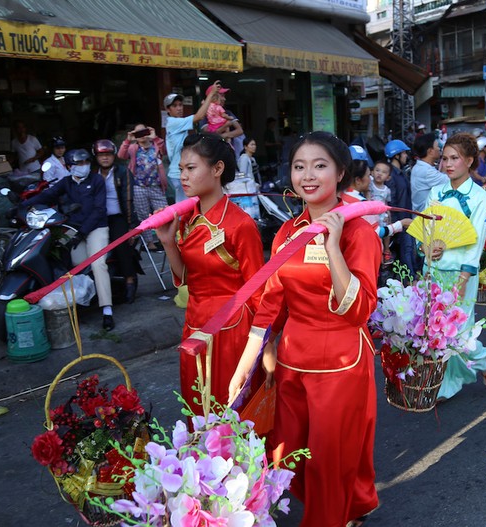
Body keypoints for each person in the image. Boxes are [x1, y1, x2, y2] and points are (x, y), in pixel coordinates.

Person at [228, 131, 381, 527]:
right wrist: (247, 363)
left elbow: (359, 309)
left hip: (341, 364)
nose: (307, 175)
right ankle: (350, 506)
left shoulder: (359, 232)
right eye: (299, 166)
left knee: (331, 461)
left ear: (341, 172)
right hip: (293, 362)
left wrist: (332, 246)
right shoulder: (287, 231)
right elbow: (271, 303)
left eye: (319, 165)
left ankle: (334, 515)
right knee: (287, 454)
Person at [156, 133, 264, 422]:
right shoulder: (187, 220)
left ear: (217, 169)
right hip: (195, 323)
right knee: (197, 407)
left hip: (233, 330)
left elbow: (258, 291)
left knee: (230, 413)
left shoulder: (240, 224)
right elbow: (186, 278)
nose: (183, 176)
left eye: (191, 168)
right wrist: (168, 243)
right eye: (180, 170)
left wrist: (265, 347)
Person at [423, 133, 486, 401]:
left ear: (469, 161)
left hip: (461, 274)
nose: (448, 164)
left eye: (455, 158)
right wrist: (427, 246)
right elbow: (425, 230)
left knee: (460, 333)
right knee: (436, 329)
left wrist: (464, 278)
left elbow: (474, 245)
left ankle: (484, 360)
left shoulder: (480, 198)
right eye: (445, 158)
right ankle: (448, 383)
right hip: (432, 269)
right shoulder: (435, 192)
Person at [21, 149, 114, 330]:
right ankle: (77, 299)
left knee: (97, 264)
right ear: (70, 167)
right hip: (74, 229)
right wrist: (22, 205)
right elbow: (47, 195)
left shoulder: (96, 180)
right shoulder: (66, 183)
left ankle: (107, 310)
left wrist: (81, 232)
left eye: (86, 162)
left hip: (96, 228)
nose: (84, 166)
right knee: (68, 261)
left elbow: (99, 210)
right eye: (79, 164)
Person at [93, 139, 142, 305]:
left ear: (114, 156)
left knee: (122, 245)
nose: (105, 158)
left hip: (119, 216)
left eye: (108, 154)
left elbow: (128, 199)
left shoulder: (122, 172)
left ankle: (130, 280)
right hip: (98, 218)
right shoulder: (93, 174)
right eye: (101, 155)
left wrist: (131, 227)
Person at [164, 81, 220, 202]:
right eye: (175, 106)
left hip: (179, 172)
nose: (179, 108)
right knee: (185, 206)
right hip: (178, 173)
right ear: (168, 110)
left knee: (187, 205)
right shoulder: (173, 122)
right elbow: (199, 117)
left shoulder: (178, 122)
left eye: (180, 105)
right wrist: (211, 95)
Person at [119, 124, 168, 250]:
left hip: (156, 186)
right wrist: (128, 139)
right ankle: (149, 242)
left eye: (143, 132)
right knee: (143, 215)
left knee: (164, 212)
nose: (142, 135)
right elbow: (121, 155)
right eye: (138, 133)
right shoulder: (133, 147)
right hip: (139, 187)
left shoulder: (155, 145)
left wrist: (155, 137)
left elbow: (165, 152)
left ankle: (167, 238)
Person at [384, 139, 415, 275]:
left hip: (406, 220)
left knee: (408, 252)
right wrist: (397, 225)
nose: (406, 156)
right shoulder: (391, 176)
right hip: (400, 223)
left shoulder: (400, 173)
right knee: (405, 254)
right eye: (404, 153)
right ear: (396, 155)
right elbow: (392, 202)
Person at [410, 132, 448, 212]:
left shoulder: (420, 167)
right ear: (430, 151)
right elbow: (450, 181)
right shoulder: (426, 171)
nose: (439, 149)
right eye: (437, 146)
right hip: (426, 218)